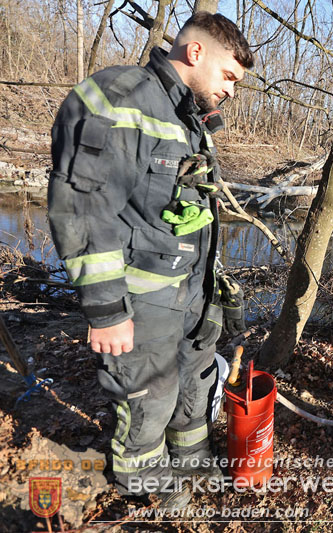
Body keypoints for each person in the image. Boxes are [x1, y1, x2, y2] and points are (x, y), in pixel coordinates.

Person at [48, 12, 253, 507]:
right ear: (196, 52)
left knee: (192, 385)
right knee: (148, 401)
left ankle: (191, 467)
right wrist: (106, 310)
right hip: (142, 303)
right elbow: (83, 203)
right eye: (229, 76)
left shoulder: (189, 119)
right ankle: (149, 489)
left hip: (190, 296)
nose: (231, 90)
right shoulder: (122, 98)